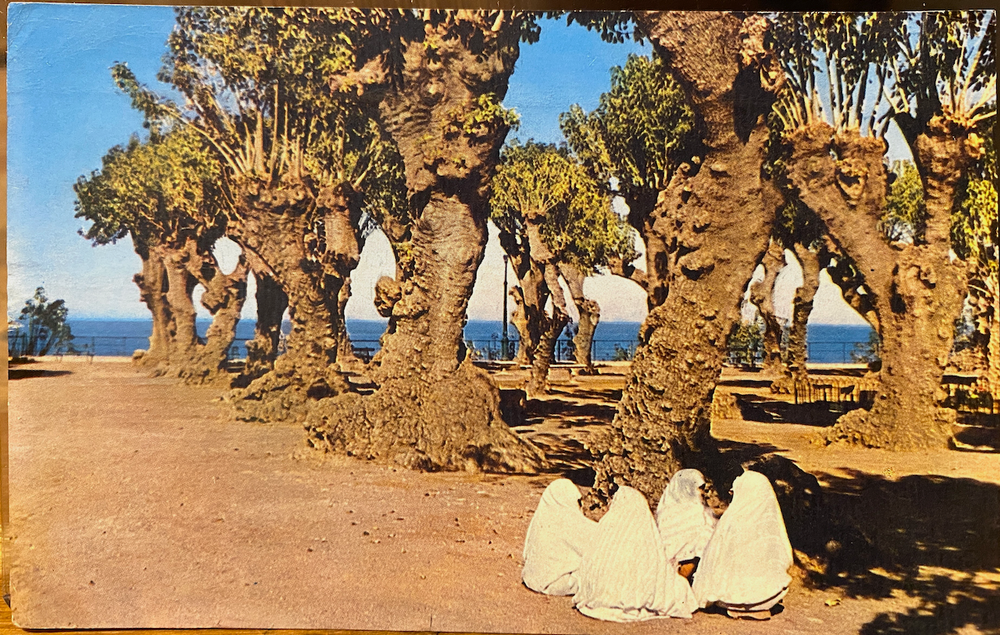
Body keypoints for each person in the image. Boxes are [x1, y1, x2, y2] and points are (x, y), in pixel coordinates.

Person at [573, 486, 698, 622]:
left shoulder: (605, 532)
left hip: (597, 595)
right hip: (629, 593)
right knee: (676, 587)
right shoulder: (643, 535)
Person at [691, 470, 793, 620]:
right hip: (765, 589)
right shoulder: (769, 523)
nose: (732, 493)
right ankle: (755, 602)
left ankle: (740, 602)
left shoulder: (732, 520)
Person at [522, 479, 598, 596]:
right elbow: (592, 542)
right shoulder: (567, 521)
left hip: (531, 577)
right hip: (554, 583)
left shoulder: (540, 518)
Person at [655, 469, 717, 580]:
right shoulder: (697, 514)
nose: (703, 493)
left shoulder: (664, 513)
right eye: (700, 488)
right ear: (688, 488)